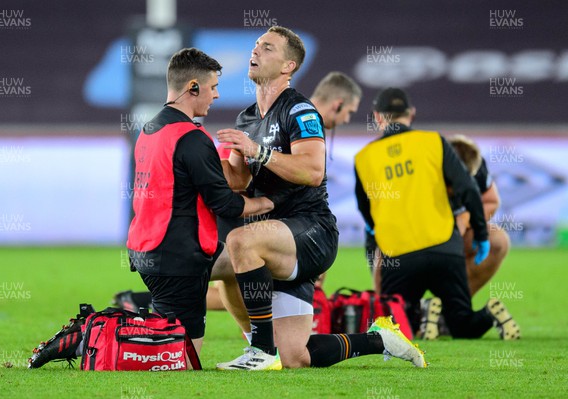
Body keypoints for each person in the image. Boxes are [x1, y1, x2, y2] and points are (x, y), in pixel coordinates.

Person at [27, 48, 274, 368]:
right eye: (213, 87)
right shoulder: (192, 138)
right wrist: (268, 202)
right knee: (181, 359)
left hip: (148, 248)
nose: (216, 94)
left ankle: (260, 344)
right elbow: (224, 204)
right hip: (178, 256)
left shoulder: (149, 129)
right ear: (193, 87)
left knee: (236, 263)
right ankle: (87, 334)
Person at [212, 26, 425, 370]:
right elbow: (238, 179)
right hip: (275, 238)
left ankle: (260, 351)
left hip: (312, 231)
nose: (256, 52)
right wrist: (198, 162)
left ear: (288, 66)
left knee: (238, 242)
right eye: (256, 46)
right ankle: (379, 339)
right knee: (297, 356)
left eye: (267, 48)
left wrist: (258, 151)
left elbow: (312, 171)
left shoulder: (300, 111)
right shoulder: (247, 117)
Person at [111, 71, 362, 309]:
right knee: (238, 273)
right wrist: (266, 203)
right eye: (349, 112)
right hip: (231, 203)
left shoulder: (287, 114)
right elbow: (236, 171)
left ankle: (257, 336)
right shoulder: (294, 119)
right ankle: (153, 301)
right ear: (337, 105)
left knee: (237, 274)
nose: (347, 120)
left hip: (243, 206)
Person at [354, 87, 520, 341]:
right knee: (463, 326)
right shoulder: (434, 142)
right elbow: (469, 189)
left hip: (399, 256)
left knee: (397, 329)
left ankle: (417, 315)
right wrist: (480, 233)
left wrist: (378, 230)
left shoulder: (364, 158)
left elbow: (366, 210)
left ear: (377, 117)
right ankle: (485, 314)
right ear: (411, 114)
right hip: (446, 250)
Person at [447, 134, 510, 297]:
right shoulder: (419, 169)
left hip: (454, 235)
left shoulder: (476, 166)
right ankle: (389, 308)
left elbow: (491, 201)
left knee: (497, 241)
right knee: (387, 249)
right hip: (416, 239)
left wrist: (467, 219)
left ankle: (452, 306)